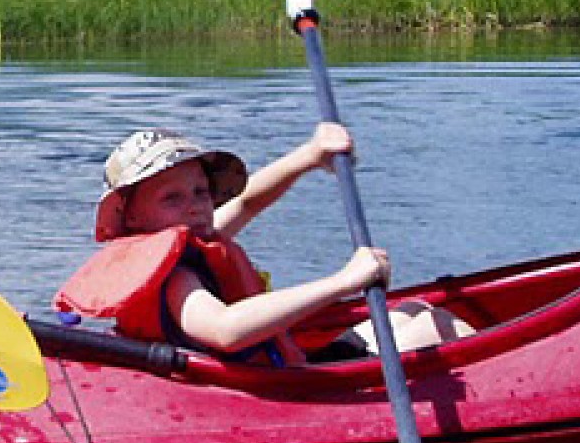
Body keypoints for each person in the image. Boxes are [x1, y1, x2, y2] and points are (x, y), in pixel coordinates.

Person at [55, 126, 471, 365]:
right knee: (441, 327)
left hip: (280, 368)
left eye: (200, 192)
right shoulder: (177, 275)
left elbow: (249, 200)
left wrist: (309, 156)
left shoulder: (188, 236)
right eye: (172, 198)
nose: (196, 206)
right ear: (130, 217)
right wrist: (342, 282)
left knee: (418, 312)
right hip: (280, 388)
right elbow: (226, 330)